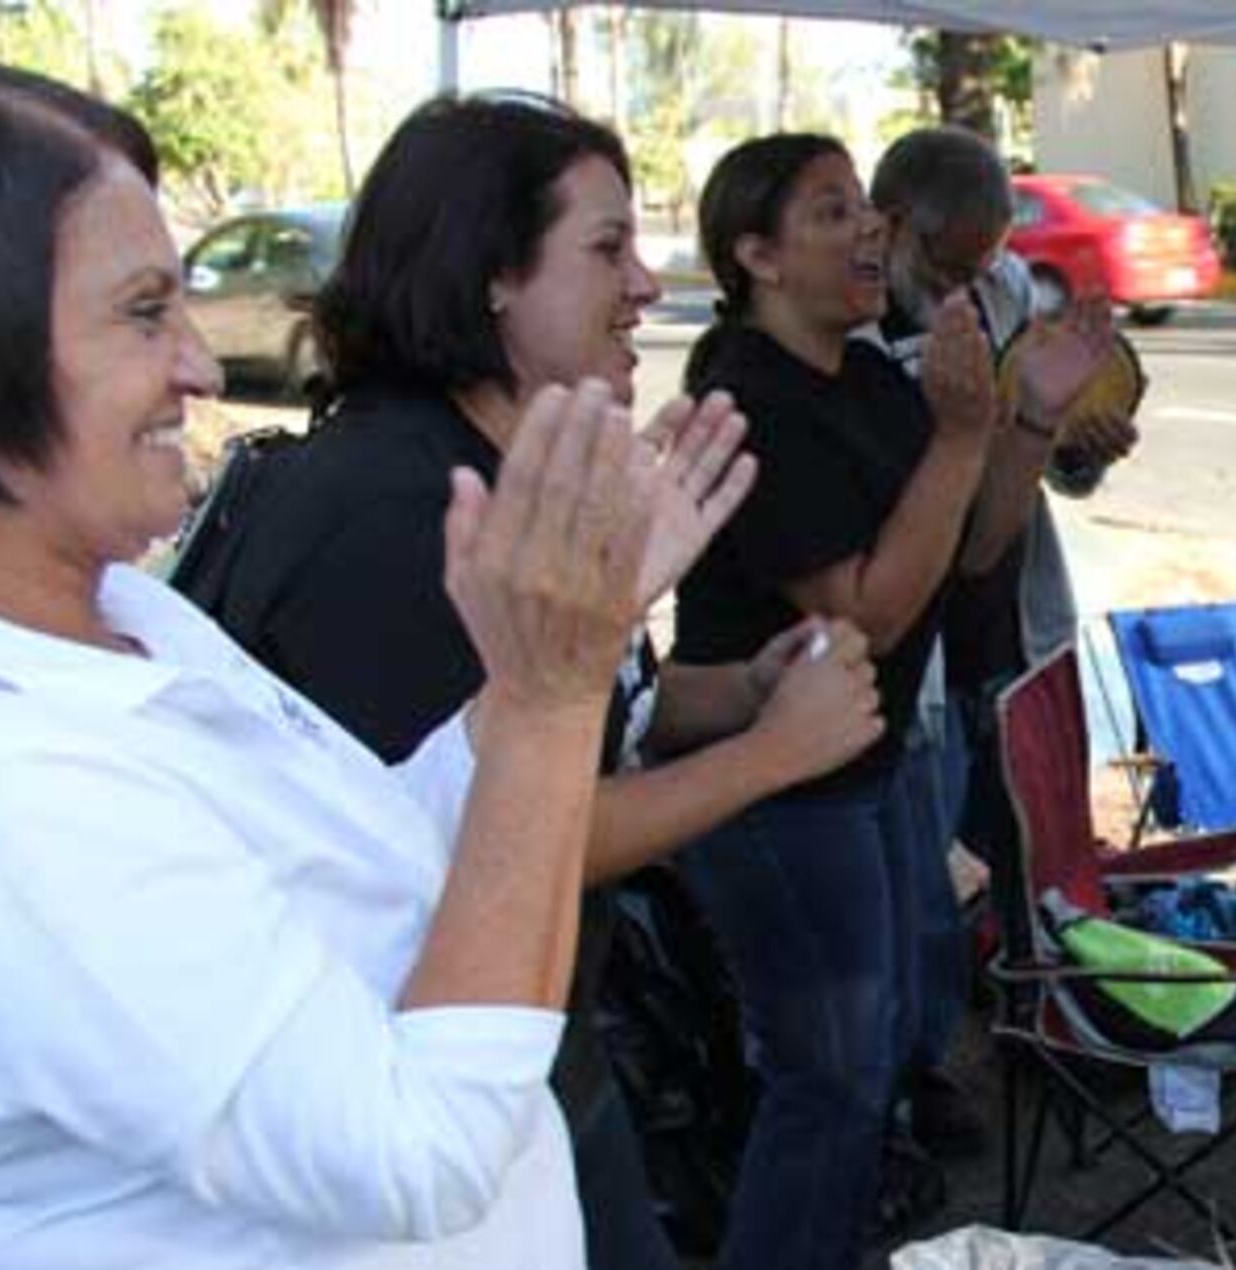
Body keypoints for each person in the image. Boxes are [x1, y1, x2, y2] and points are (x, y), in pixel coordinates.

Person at [191, 95, 885, 1270]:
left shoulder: (500, 477)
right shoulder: (403, 513)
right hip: (439, 1082)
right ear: (490, 279)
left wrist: (734, 695)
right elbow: (495, 834)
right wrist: (772, 757)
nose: (646, 285)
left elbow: (562, 731)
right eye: (606, 248)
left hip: (526, 1047)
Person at [0, 72, 658, 1267]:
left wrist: (545, 666)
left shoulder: (126, 610)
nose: (199, 366)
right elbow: (411, 1150)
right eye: (144, 314)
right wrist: (556, 706)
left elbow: (379, 847)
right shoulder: (16, 787)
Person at [671, 132, 1107, 1270]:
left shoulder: (861, 374)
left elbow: (974, 549)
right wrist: (965, 430)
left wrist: (1026, 418)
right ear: (755, 254)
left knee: (858, 1075)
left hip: (859, 773)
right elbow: (861, 612)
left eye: (863, 203)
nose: (868, 226)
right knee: (825, 1082)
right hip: (774, 791)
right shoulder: (747, 393)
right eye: (829, 211)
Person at [863, 123, 1132, 1168]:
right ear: (890, 229)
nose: (965, 289)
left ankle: (1038, 1020)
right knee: (924, 887)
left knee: (1026, 851)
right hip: (914, 649)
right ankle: (917, 1075)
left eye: (983, 263)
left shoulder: (1014, 292)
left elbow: (1052, 463)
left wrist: (1083, 446)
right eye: (945, 264)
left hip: (1006, 629)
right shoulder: (851, 327)